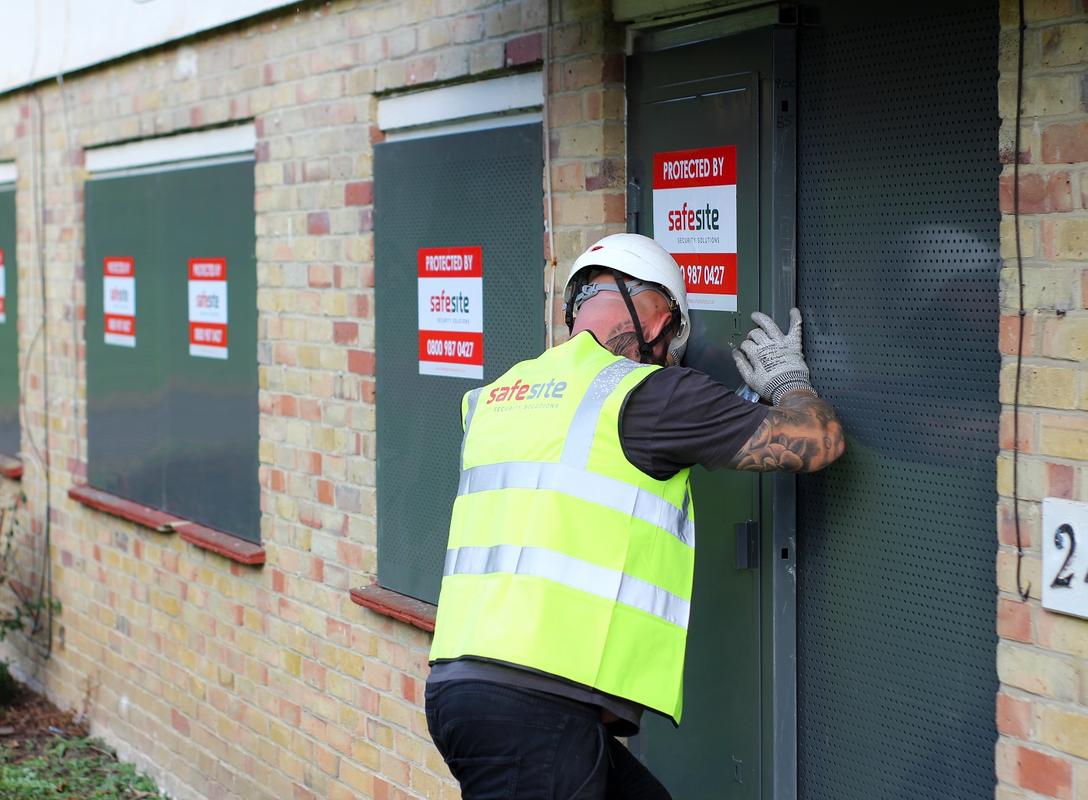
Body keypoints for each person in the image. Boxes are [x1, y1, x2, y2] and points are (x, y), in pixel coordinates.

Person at [425, 233, 845, 799]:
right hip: (535, 708)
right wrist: (787, 383)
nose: (671, 356)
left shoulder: (499, 395)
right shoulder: (648, 395)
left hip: (467, 690)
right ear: (658, 321)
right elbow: (817, 441)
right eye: (673, 340)